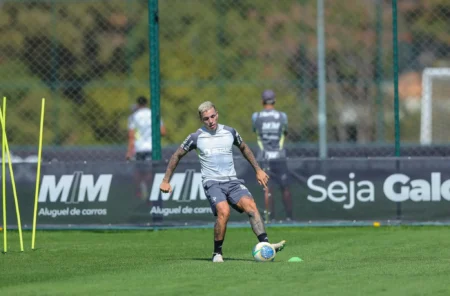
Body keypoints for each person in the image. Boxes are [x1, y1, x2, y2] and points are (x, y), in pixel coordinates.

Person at [159, 101, 286, 263]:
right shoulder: (196, 137)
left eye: (213, 116)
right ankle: (217, 253)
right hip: (212, 183)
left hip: (232, 182)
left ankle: (265, 245)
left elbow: (244, 148)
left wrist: (258, 170)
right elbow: (177, 155)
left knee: (252, 207)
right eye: (206, 119)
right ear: (201, 120)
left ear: (217, 114)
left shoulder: (230, 132)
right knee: (224, 211)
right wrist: (165, 180)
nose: (211, 121)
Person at [252, 90, 293, 222]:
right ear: (274, 101)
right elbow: (285, 132)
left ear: (262, 102)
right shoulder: (282, 116)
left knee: (267, 188)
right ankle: (289, 217)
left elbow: (255, 131)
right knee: (285, 187)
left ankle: (270, 218)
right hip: (279, 156)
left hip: (264, 156)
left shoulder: (256, 116)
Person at [127, 96, 167, 201]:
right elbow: (163, 132)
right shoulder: (154, 115)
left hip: (139, 148)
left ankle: (139, 190)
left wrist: (129, 152)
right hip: (151, 147)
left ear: (137, 104)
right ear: (146, 103)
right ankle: (150, 192)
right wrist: (151, 133)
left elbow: (131, 136)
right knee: (151, 171)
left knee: (138, 171)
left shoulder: (134, 116)